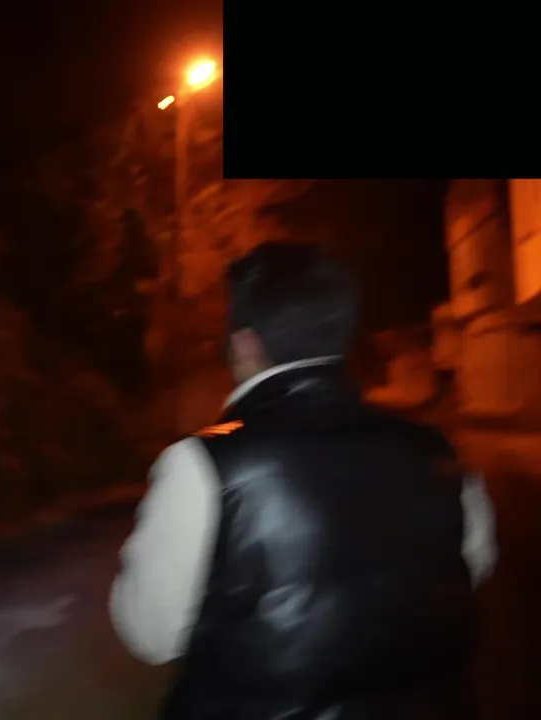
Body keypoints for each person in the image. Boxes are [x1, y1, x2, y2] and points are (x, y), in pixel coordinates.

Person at [110, 241, 498, 719]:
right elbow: (473, 568)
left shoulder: (204, 462)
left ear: (245, 343)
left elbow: (150, 633)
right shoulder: (440, 452)